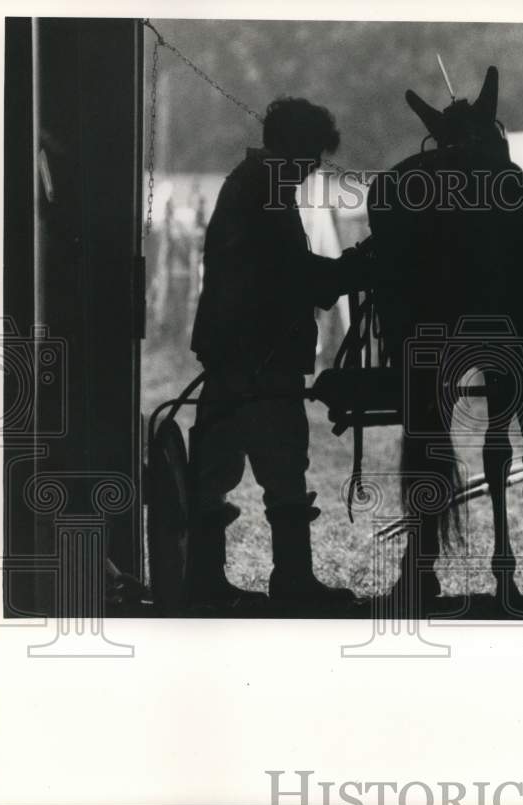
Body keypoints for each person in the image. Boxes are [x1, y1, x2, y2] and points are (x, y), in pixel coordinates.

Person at [188, 96, 367, 605]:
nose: (312, 170)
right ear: (293, 147)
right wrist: (355, 267)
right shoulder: (265, 189)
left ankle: (204, 580)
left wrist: (337, 271)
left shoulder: (253, 183)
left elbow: (287, 269)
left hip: (236, 351)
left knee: (217, 469)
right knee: (283, 466)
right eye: (310, 157)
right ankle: (292, 582)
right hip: (259, 356)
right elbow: (292, 275)